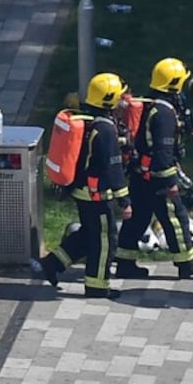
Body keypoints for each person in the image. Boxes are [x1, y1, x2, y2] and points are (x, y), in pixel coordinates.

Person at [115, 58, 193, 280]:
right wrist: (170, 183)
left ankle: (124, 261)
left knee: (139, 217)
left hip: (141, 173)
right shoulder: (165, 113)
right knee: (176, 217)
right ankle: (186, 263)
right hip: (157, 178)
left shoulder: (152, 103)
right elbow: (163, 151)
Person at [39, 72, 133, 298]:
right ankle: (97, 287)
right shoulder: (107, 130)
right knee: (104, 240)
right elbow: (114, 168)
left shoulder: (87, 121)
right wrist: (124, 200)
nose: (123, 100)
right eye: (119, 96)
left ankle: (52, 264)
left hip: (82, 191)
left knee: (89, 233)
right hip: (97, 195)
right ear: (109, 100)